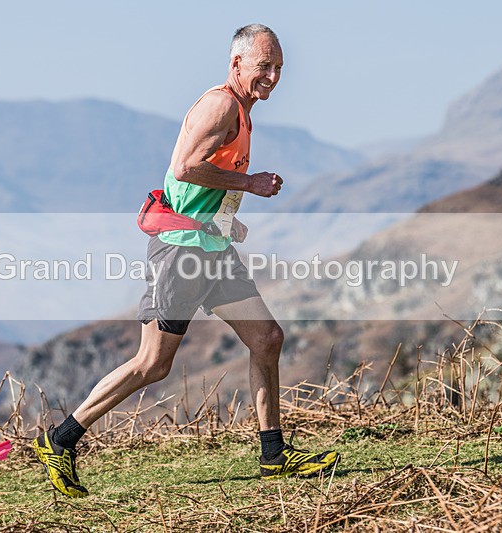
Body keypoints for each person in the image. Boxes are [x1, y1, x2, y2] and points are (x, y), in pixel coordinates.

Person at [33, 24, 339, 497]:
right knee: (153, 363)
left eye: (279, 67)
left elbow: (194, 184)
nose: (274, 76)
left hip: (211, 249)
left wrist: (224, 222)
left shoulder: (241, 110)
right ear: (237, 63)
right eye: (264, 66)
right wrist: (250, 183)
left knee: (267, 338)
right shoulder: (221, 105)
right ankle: (61, 440)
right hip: (180, 251)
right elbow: (186, 168)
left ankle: (274, 455)